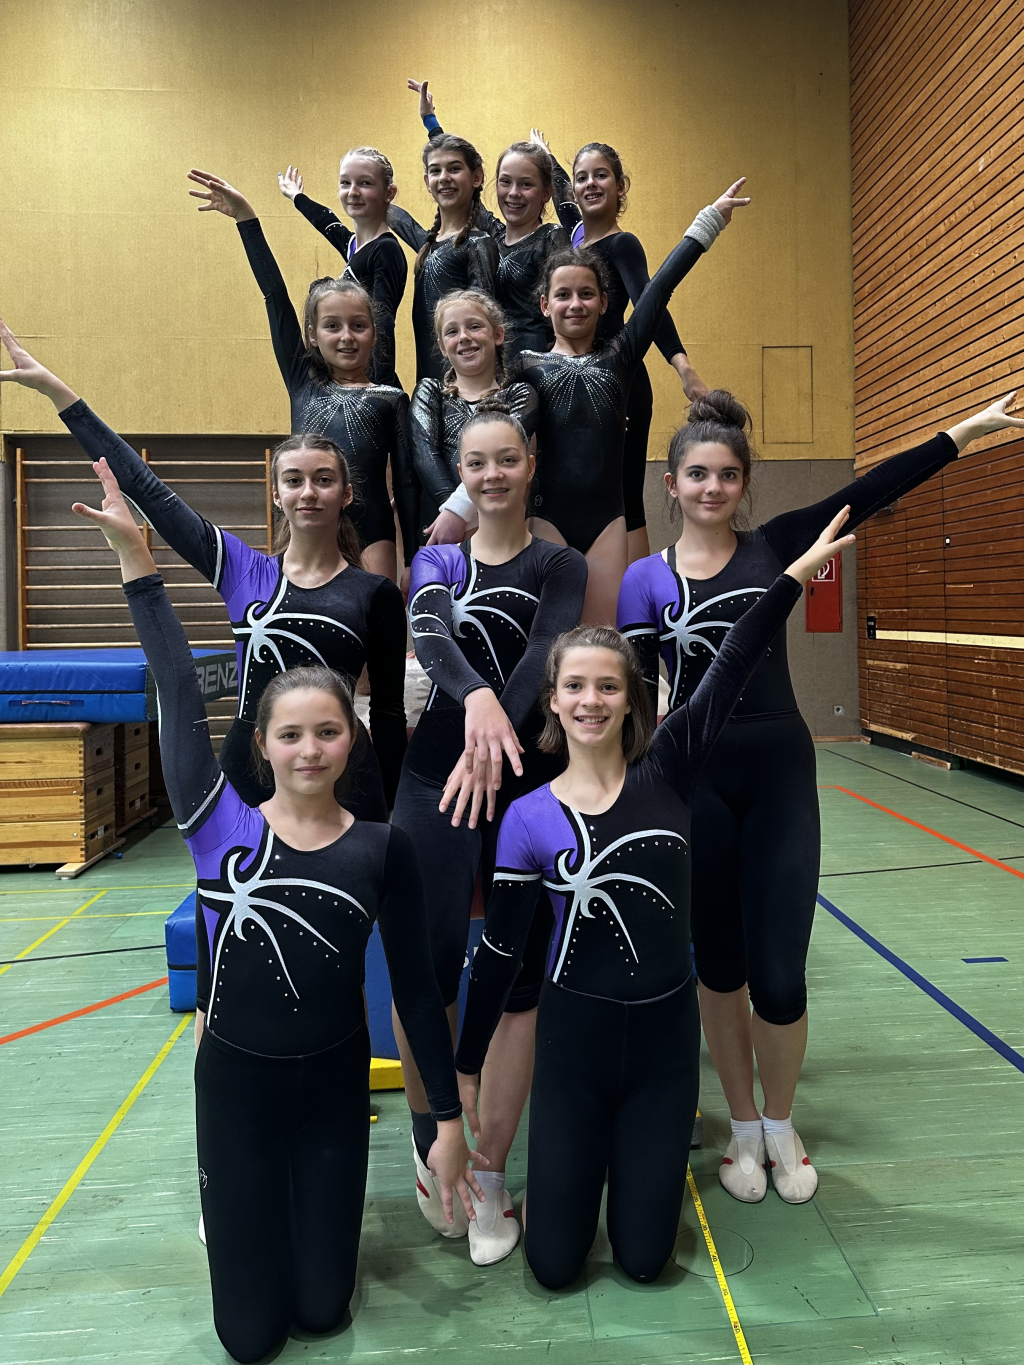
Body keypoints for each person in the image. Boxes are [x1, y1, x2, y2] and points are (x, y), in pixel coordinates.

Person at [66, 455, 479, 1364]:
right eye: (291, 734)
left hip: (331, 1092)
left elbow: (418, 991)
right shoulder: (220, 827)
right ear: (262, 743)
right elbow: (178, 687)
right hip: (239, 1093)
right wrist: (139, 566)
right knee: (250, 1338)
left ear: (352, 740)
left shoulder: (382, 849)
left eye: (328, 731)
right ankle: (237, 1208)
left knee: (324, 1311)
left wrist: (447, 1122)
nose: (310, 749)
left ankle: (298, 1218)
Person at [616, 387, 1024, 1204]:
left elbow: (871, 490)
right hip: (698, 786)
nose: (712, 487)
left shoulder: (777, 544)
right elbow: (634, 702)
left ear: (744, 483)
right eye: (697, 474)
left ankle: (780, 1120)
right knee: (719, 968)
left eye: (728, 474)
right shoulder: (642, 580)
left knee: (780, 975)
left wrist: (964, 431)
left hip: (778, 776)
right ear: (671, 483)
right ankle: (741, 1125)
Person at [454, 508, 854, 1289]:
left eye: (609, 686)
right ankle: (568, 1176)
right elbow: (500, 953)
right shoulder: (529, 817)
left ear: (632, 697)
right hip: (574, 1045)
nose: (592, 701)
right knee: (554, 1265)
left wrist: (792, 578)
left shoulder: (669, 769)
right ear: (553, 699)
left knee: (645, 1259)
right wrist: (465, 1067)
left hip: (662, 1049)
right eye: (575, 687)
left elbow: (734, 655)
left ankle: (640, 1157)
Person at [0, 321, 406, 817]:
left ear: (346, 494)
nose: (309, 492)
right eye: (294, 480)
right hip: (251, 771)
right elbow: (150, 492)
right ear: (276, 495)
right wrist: (57, 392)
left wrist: (391, 813)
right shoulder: (244, 571)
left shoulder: (375, 593)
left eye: (324, 480)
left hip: (346, 776)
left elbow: (388, 711)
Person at [394, 396, 587, 1266]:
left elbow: (546, 652)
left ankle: (491, 1168)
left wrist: (493, 742)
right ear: (461, 477)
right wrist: (475, 707)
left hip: (527, 781)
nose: (493, 475)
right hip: (436, 773)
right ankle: (434, 1137)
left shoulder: (559, 563)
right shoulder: (437, 557)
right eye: (477, 464)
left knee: (516, 975)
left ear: (531, 463)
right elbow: (431, 637)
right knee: (426, 961)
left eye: (507, 459)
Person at [512, 179, 750, 625]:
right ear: (545, 305)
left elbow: (660, 289)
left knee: (602, 641)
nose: (575, 304)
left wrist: (709, 222)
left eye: (587, 294)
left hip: (607, 524)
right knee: (550, 643)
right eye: (563, 295)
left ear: (605, 302)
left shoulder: (619, 359)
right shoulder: (526, 366)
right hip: (546, 519)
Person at [187, 168, 417, 586]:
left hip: (374, 538)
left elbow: (405, 486)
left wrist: (413, 562)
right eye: (332, 326)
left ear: (374, 332)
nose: (346, 337)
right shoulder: (303, 382)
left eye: (358, 326)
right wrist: (247, 220)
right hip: (305, 533)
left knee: (376, 624)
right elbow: (274, 296)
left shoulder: (391, 399)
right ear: (312, 334)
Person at [536, 132, 709, 565]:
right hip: (575, 381)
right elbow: (564, 200)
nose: (590, 184)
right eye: (582, 178)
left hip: (620, 383)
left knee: (624, 494)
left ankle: (635, 597)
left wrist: (683, 366)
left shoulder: (622, 244)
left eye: (601, 176)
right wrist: (548, 158)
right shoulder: (575, 242)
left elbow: (651, 304)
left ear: (620, 186)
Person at [408, 80, 569, 361]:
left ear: (546, 193)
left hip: (539, 365)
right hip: (490, 364)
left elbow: (568, 305)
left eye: (526, 184)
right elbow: (455, 177)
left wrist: (550, 162)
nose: (513, 193)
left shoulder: (551, 237)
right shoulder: (492, 235)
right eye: (505, 182)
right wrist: (430, 121)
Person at [409, 289, 538, 544]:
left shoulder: (520, 396)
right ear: (442, 346)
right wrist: (452, 513)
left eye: (475, 326)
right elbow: (425, 455)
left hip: (498, 536)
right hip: (440, 534)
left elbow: (501, 458)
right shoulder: (431, 394)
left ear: (498, 334)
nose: (464, 337)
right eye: (452, 331)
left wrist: (460, 513)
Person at [277, 151, 408, 388]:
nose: (353, 192)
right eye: (345, 183)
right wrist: (296, 196)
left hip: (370, 382)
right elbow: (327, 223)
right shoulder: (356, 246)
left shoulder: (385, 250)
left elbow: (383, 326)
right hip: (352, 379)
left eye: (365, 183)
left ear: (389, 193)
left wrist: (384, 392)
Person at [383, 120, 499, 384]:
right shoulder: (430, 245)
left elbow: (483, 326)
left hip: (464, 386)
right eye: (436, 171)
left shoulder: (478, 244)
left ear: (477, 177)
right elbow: (399, 219)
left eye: (454, 169)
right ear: (427, 181)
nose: (444, 177)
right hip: (428, 382)